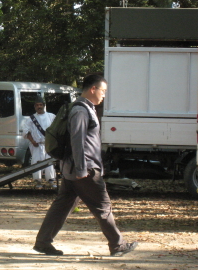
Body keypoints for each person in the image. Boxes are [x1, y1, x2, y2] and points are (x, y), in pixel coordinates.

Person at [33, 74, 138, 257]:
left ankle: (43, 242)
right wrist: (82, 169)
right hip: (84, 170)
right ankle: (117, 245)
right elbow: (77, 141)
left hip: (73, 169)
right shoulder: (81, 110)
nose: (104, 95)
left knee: (61, 206)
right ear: (92, 89)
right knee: (103, 206)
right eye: (103, 91)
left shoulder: (84, 108)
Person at [23, 95, 57, 189]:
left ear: (44, 105)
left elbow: (56, 129)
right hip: (36, 145)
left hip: (48, 144)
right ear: (35, 106)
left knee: (49, 162)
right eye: (37, 105)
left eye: (41, 104)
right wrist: (33, 141)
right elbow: (26, 131)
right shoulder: (31, 119)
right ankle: (38, 181)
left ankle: (51, 180)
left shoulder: (51, 116)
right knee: (36, 162)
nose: (39, 106)